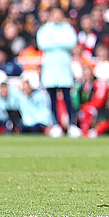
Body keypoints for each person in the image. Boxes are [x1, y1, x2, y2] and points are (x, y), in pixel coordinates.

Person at [36, 7, 81, 138]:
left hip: (64, 68)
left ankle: (72, 125)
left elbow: (71, 42)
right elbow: (42, 44)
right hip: (50, 68)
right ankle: (55, 125)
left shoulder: (67, 28)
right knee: (52, 98)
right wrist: (60, 42)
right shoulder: (45, 29)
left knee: (68, 98)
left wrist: (54, 42)